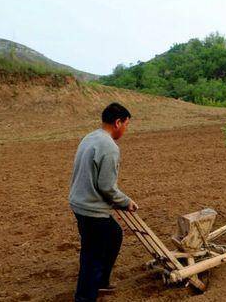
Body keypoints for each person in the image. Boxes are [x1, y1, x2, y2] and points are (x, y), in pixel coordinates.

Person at [69, 102, 138, 302]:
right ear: (118, 122)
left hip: (79, 202)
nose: (126, 129)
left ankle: (100, 281)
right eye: (126, 124)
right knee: (93, 255)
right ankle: (85, 296)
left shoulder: (90, 137)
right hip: (91, 208)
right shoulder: (110, 147)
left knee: (114, 235)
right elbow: (106, 187)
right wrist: (126, 202)